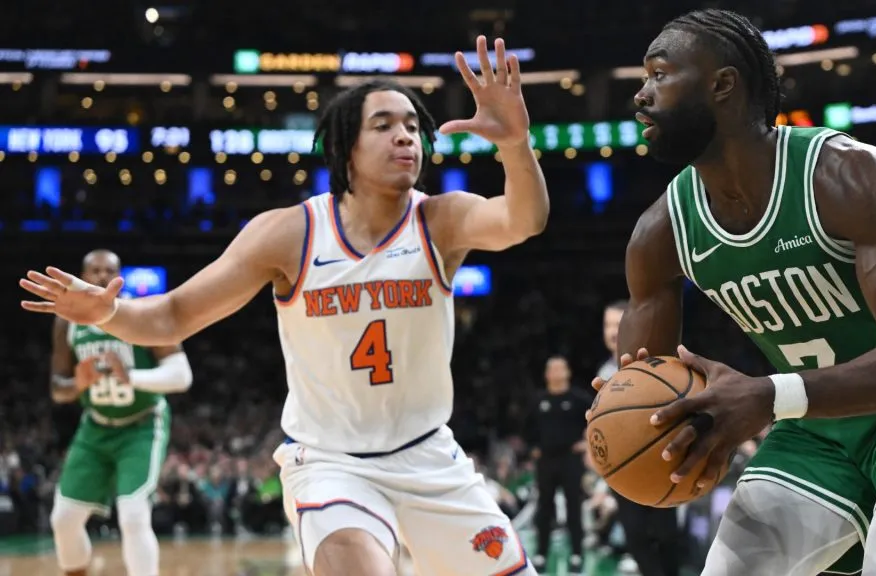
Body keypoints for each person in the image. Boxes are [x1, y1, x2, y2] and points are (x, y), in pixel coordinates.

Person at [20, 35, 547, 576]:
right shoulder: (290, 234)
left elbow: (523, 220)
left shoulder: (441, 219)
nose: (405, 136)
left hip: (429, 456)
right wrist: (107, 314)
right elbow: (174, 315)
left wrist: (515, 144)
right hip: (332, 465)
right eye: (384, 125)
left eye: (413, 126)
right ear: (346, 147)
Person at [591, 9, 876, 576]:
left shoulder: (846, 176)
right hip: (813, 426)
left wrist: (767, 395)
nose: (641, 95)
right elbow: (649, 395)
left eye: (659, 74)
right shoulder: (660, 234)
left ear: (723, 84)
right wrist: (636, 420)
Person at [47, 249, 193, 576]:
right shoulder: (66, 321)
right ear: (82, 277)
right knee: (64, 520)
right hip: (95, 426)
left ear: (119, 278)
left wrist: (131, 377)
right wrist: (78, 384)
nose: (101, 276)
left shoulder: (140, 312)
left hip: (141, 425)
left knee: (133, 515)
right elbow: (57, 388)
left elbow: (182, 376)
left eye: (109, 271)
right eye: (94, 270)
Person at [597, 301, 682, 576]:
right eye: (607, 325)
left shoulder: (655, 363)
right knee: (635, 535)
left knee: (666, 535)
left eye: (617, 324)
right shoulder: (604, 372)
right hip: (622, 466)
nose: (612, 331)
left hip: (660, 462)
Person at [528, 355, 590, 574]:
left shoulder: (579, 399)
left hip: (570, 459)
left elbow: (596, 420)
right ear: (546, 374)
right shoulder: (538, 401)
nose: (555, 372)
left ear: (568, 372)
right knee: (544, 507)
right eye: (551, 369)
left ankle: (577, 554)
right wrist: (532, 447)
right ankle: (541, 554)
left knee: (574, 507)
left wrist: (586, 443)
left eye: (559, 368)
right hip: (545, 460)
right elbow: (526, 427)